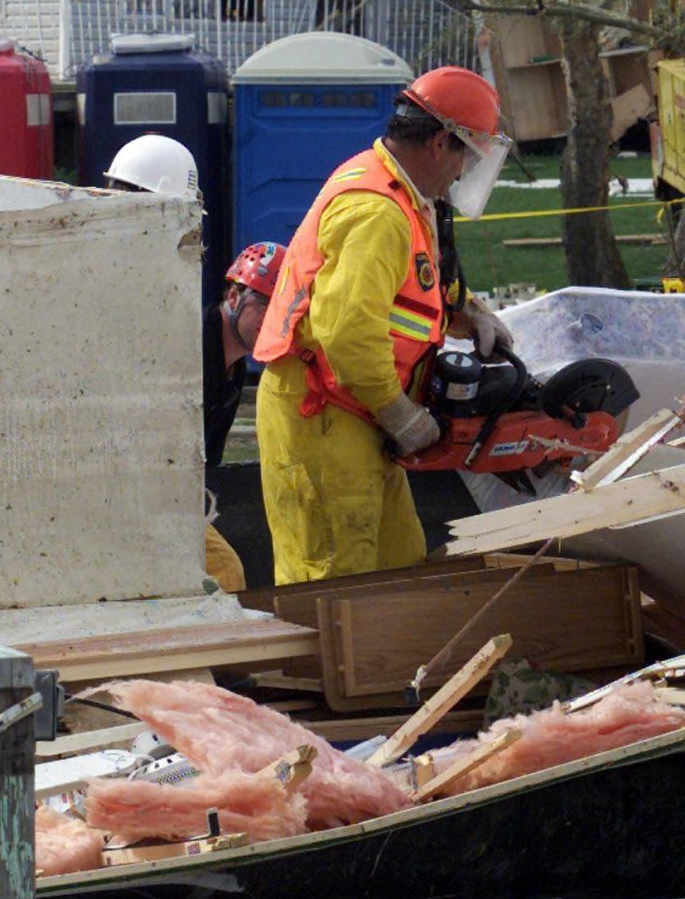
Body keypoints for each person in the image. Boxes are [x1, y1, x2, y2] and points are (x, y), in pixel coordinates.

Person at [254, 66, 513, 584]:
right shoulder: (378, 212)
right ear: (441, 143)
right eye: (466, 156)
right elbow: (348, 330)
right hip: (325, 412)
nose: (464, 173)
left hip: (357, 410)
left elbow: (405, 290)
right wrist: (399, 412)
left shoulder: (401, 195)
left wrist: (466, 313)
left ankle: (390, 667)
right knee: (336, 579)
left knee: (397, 565)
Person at [104, 134, 246, 593]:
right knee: (223, 577)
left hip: (144, 489)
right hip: (123, 490)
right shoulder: (126, 285)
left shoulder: (140, 282)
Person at [203, 241, 285, 468]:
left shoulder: (234, 368)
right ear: (233, 296)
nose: (271, 320)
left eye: (279, 311)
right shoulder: (195, 348)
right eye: (263, 305)